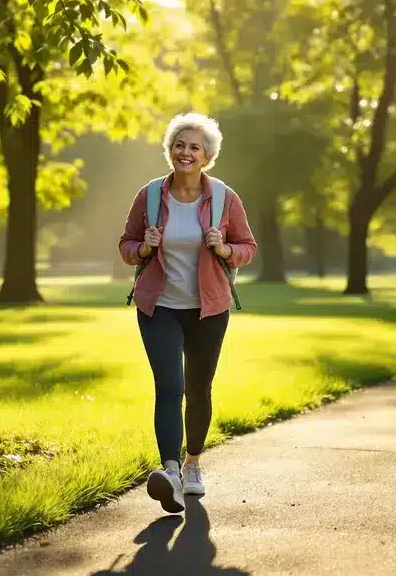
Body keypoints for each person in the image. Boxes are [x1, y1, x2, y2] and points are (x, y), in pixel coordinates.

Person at [118, 112, 257, 514]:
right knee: (169, 387)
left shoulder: (223, 199)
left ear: (206, 156)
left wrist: (226, 249)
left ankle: (194, 464)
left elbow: (248, 246)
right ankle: (172, 472)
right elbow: (126, 244)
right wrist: (142, 247)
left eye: (194, 147)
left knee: (199, 390)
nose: (186, 152)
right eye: (179, 145)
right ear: (170, 151)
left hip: (208, 309)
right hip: (158, 306)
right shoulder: (148, 196)